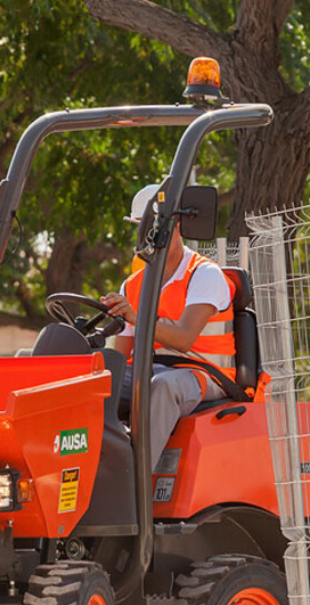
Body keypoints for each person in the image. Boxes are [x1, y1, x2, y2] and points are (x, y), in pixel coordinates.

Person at [102, 183, 238, 463]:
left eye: (148, 227)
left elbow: (184, 338)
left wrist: (137, 318)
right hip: (151, 369)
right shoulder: (133, 285)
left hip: (204, 373)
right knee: (96, 380)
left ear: (175, 225)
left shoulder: (203, 274)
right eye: (139, 227)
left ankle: (135, 484)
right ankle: (96, 470)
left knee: (163, 387)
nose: (144, 237)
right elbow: (121, 356)